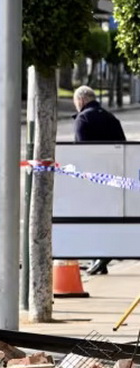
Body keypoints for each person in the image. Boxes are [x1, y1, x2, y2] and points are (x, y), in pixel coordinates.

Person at [73, 85, 126, 276]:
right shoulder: (111, 118)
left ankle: (99, 255)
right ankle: (99, 261)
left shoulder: (83, 119)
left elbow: (82, 152)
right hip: (113, 175)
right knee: (105, 216)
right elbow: (123, 146)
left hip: (93, 177)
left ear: (81, 100)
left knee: (89, 219)